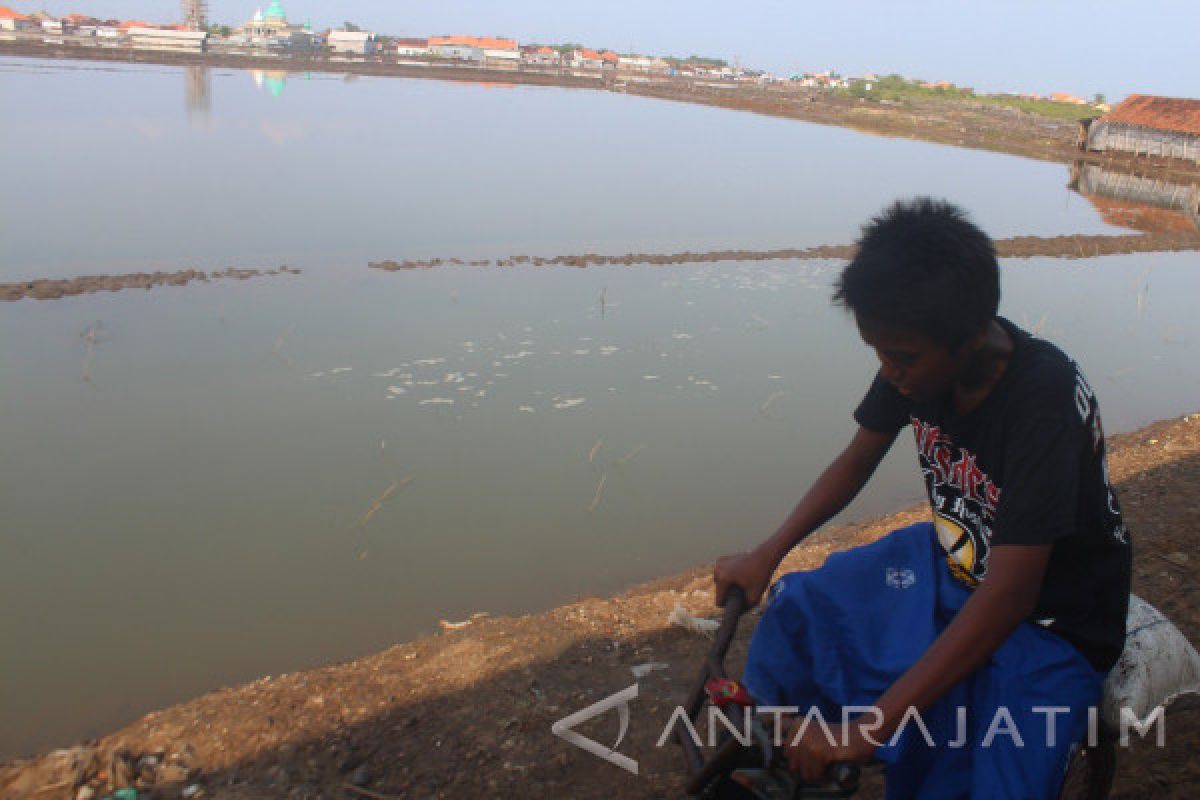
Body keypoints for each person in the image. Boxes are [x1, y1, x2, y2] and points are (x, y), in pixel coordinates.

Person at [713, 198, 1132, 799]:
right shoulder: (916, 363)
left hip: (1053, 616)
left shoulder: (1042, 402)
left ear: (967, 338)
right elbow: (859, 458)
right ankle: (776, 759)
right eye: (879, 353)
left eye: (900, 357)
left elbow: (1012, 594)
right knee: (801, 608)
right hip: (953, 560)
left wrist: (868, 732)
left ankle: (843, 750)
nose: (889, 371)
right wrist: (768, 552)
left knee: (985, 776)